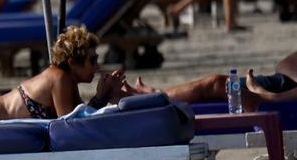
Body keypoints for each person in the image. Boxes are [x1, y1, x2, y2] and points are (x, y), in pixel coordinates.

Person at [120, 47, 297, 110]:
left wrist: (266, 96)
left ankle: (152, 98)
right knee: (215, 86)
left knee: (216, 85)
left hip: (280, 88)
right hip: (280, 83)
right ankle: (156, 95)